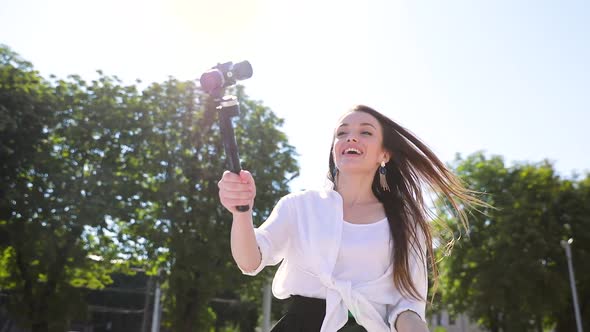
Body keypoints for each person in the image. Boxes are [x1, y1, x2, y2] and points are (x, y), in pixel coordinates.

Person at [218, 105, 485, 332]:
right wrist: (241, 212)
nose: (351, 138)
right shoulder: (300, 206)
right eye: (341, 133)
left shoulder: (405, 223)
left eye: (365, 132)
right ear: (334, 150)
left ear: (384, 155)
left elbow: (408, 307)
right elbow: (250, 260)